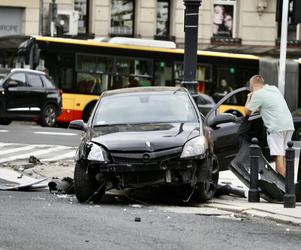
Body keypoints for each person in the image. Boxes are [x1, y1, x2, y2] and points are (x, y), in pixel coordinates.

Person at [244, 75, 295, 177]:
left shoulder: (257, 94)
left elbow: (246, 112)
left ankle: (282, 187)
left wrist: (249, 97)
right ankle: (289, 185)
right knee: (285, 155)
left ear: (252, 85)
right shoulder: (273, 89)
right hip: (289, 125)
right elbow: (266, 106)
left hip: (276, 127)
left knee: (279, 156)